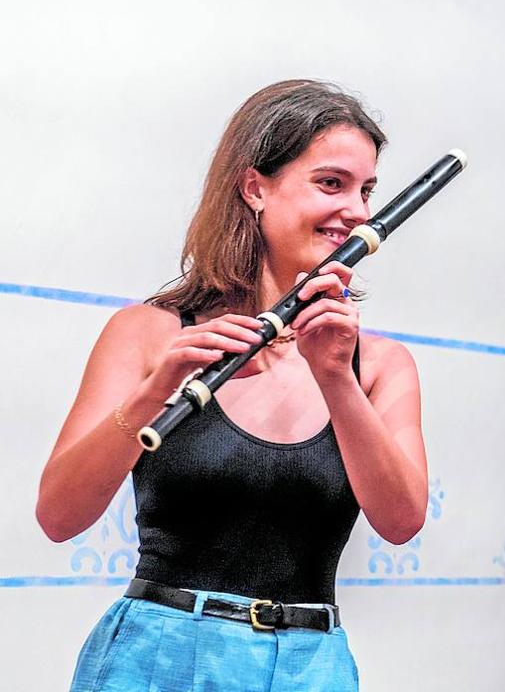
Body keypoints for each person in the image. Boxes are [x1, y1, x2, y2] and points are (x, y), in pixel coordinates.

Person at [37, 80, 428, 691]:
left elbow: (402, 521)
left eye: (367, 190)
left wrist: (336, 381)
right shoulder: (148, 333)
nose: (357, 211)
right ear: (254, 188)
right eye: (331, 184)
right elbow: (59, 516)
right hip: (157, 654)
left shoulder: (378, 364)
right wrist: (156, 388)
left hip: (309, 664)